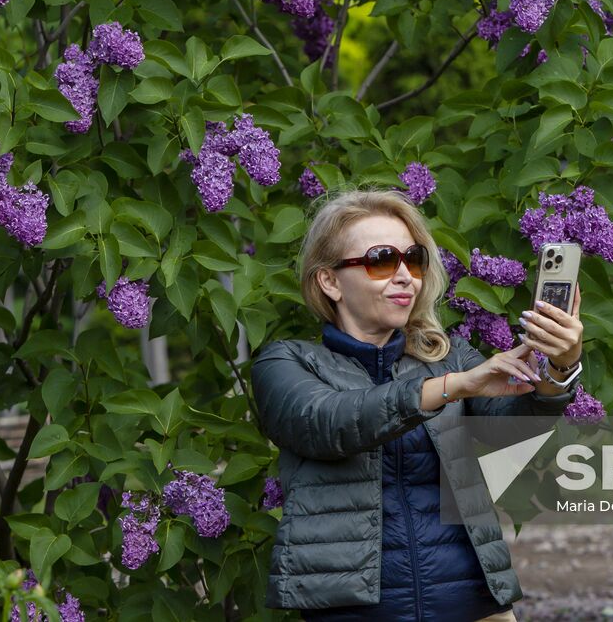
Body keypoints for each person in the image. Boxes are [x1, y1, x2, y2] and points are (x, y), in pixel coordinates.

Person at [251, 187, 587, 621]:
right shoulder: (288, 362)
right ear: (329, 280)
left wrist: (561, 367)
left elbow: (510, 434)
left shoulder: (449, 356)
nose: (406, 275)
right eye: (382, 261)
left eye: (414, 259)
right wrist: (450, 387)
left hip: (473, 607)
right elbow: (329, 424)